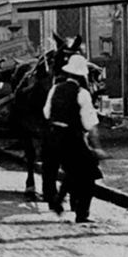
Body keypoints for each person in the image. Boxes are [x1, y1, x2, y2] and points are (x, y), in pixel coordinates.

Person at [42, 53, 107, 223]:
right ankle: (81, 213)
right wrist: (97, 146)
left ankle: (59, 198)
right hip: (71, 138)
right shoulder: (82, 93)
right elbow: (89, 123)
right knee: (90, 173)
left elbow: (46, 112)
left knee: (73, 171)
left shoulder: (55, 89)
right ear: (82, 76)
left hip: (52, 137)